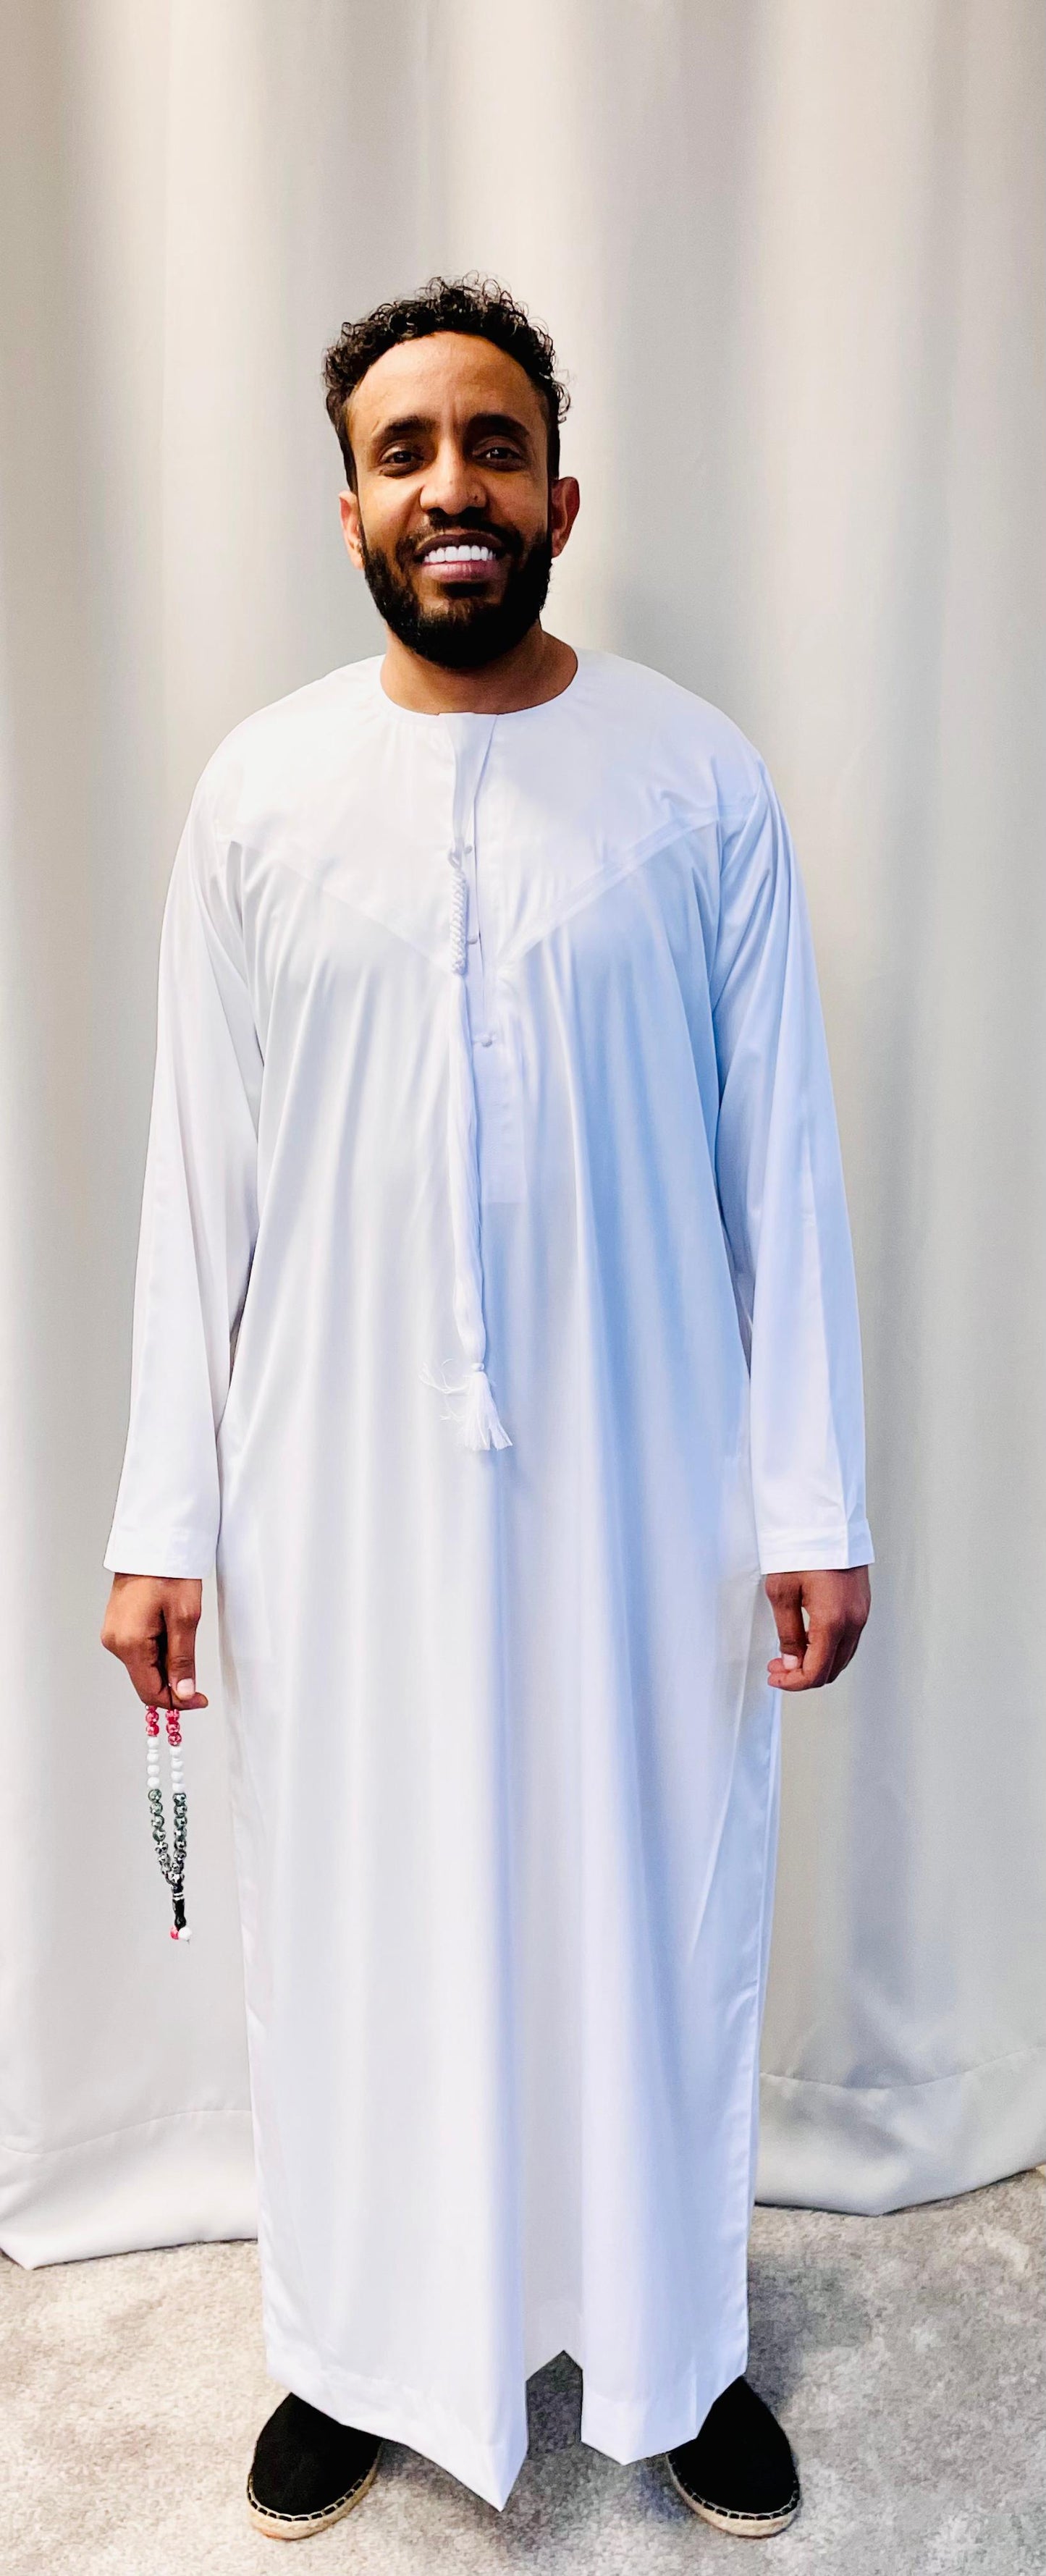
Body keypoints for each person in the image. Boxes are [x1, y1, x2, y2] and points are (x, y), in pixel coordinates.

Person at [101, 274, 872, 2543]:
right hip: (330, 1489)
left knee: (642, 1902)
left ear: (562, 489)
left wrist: (806, 1497)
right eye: (410, 447)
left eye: (495, 442)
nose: (457, 483)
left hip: (650, 1479)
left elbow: (786, 1164)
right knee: (353, 1915)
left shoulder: (694, 778)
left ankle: (669, 2346)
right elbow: (194, 1182)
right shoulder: (259, 798)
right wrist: (168, 1517)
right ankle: (355, 2349)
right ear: (350, 502)